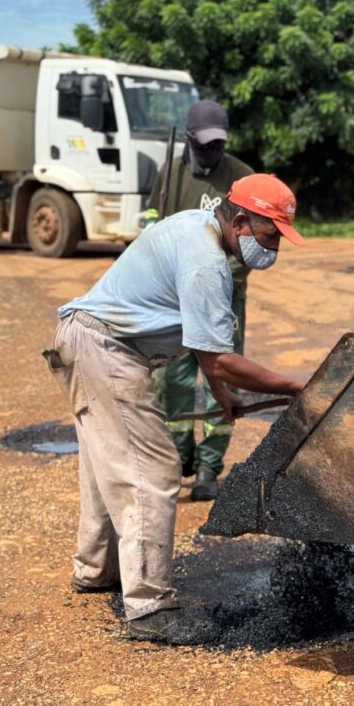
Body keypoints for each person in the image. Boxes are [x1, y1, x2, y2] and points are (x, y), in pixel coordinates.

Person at [48, 174, 304, 644]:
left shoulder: (196, 225)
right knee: (152, 470)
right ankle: (148, 608)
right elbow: (222, 358)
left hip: (86, 341)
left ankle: (95, 570)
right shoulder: (207, 263)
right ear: (242, 221)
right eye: (270, 236)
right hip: (106, 350)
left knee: (106, 466)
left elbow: (205, 353)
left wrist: (222, 395)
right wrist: (294, 386)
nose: (273, 250)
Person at [147, 99, 254, 501]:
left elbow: (249, 246)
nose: (212, 151)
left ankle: (210, 464)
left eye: (218, 144)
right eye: (205, 144)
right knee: (170, 380)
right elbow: (152, 232)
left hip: (224, 298)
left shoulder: (241, 178)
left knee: (220, 378)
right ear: (189, 138)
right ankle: (180, 457)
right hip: (173, 300)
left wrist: (218, 283)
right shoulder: (168, 175)